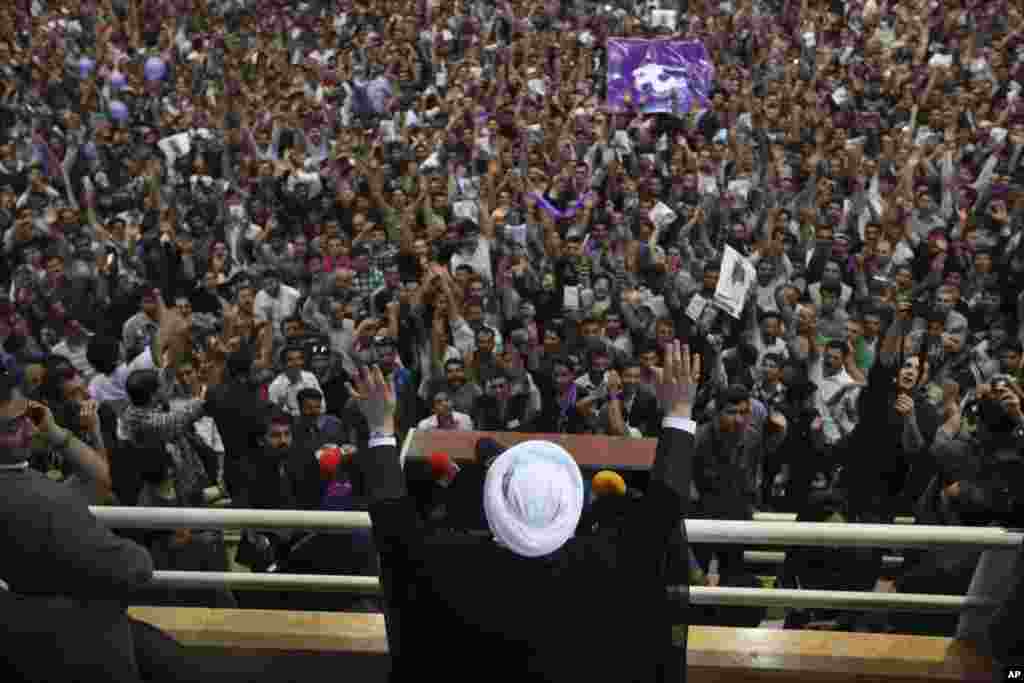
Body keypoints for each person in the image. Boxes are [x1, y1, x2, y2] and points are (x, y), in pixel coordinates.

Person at [351, 339, 699, 681]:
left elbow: (391, 523)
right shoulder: (613, 560)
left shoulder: (445, 564)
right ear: (570, 505)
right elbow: (665, 507)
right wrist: (680, 413)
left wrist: (380, 427)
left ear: (493, 504)